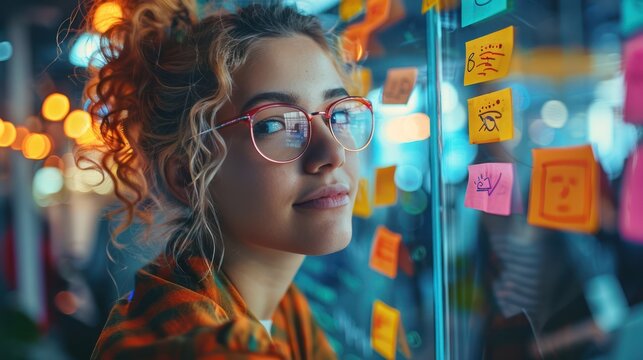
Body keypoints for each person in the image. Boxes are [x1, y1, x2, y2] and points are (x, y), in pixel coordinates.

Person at [83, 1, 374, 358]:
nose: (333, 153)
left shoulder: (284, 313)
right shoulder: (197, 347)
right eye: (274, 124)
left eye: (338, 114)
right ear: (188, 175)